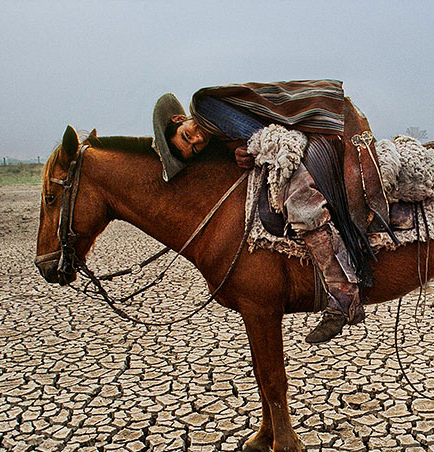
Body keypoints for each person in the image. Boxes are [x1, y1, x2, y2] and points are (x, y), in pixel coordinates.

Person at [152, 80, 365, 343]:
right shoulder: (215, 132)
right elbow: (248, 139)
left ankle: (345, 295)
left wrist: (250, 148)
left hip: (296, 136)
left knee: (301, 206)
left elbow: (264, 135)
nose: (197, 140)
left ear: (179, 118)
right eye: (194, 147)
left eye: (187, 135)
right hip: (288, 137)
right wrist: (238, 151)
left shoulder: (204, 106)